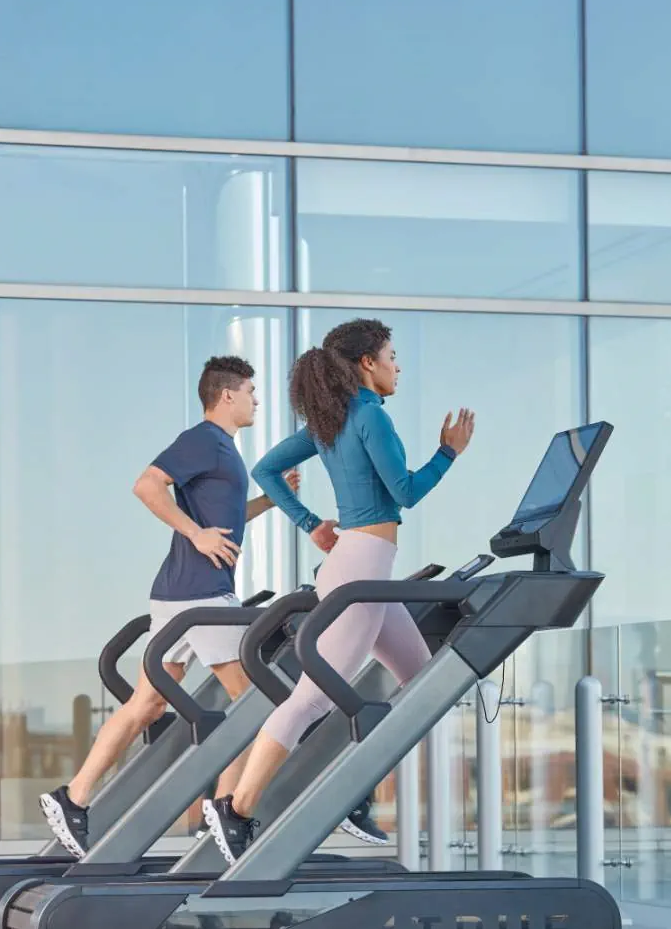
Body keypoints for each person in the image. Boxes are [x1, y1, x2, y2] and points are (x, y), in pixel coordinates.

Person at [39, 353, 384, 859]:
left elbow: (221, 516)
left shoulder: (223, 451)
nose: (257, 400)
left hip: (177, 592)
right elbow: (146, 486)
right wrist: (195, 534)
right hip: (201, 593)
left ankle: (74, 797)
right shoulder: (203, 439)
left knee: (148, 704)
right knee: (258, 701)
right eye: (250, 391)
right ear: (227, 395)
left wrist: (266, 504)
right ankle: (225, 811)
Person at [203, 318, 475, 864]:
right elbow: (406, 492)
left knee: (425, 686)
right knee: (311, 697)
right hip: (361, 570)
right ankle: (237, 808)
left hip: (361, 568)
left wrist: (310, 524)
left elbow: (266, 469)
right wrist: (448, 452)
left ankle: (352, 792)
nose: (399, 366)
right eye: (392, 356)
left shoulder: (331, 419)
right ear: (367, 363)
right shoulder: (370, 416)